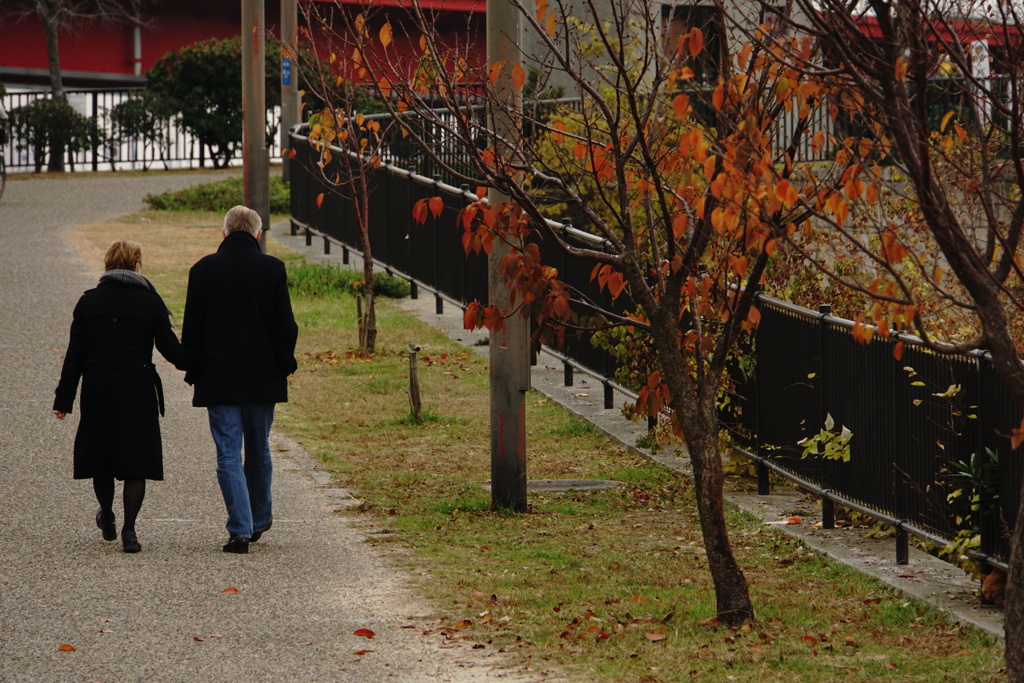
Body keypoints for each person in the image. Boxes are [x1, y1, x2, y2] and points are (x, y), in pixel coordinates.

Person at [181, 205, 298, 554]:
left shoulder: (201, 271)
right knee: (259, 449)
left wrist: (192, 368)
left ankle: (240, 529)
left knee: (228, 453)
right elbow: (285, 326)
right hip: (262, 377)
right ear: (258, 234)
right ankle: (260, 518)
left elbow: (193, 330)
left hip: (219, 377)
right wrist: (284, 364)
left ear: (224, 233)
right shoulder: (273, 269)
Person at [54, 239, 183, 553]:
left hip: (97, 385)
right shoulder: (150, 303)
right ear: (137, 266)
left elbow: (75, 357)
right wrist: (201, 363)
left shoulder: (88, 303)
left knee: (102, 456)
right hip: (137, 386)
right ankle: (129, 530)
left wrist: (63, 400)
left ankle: (107, 513)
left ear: (107, 265)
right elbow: (172, 351)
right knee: (135, 460)